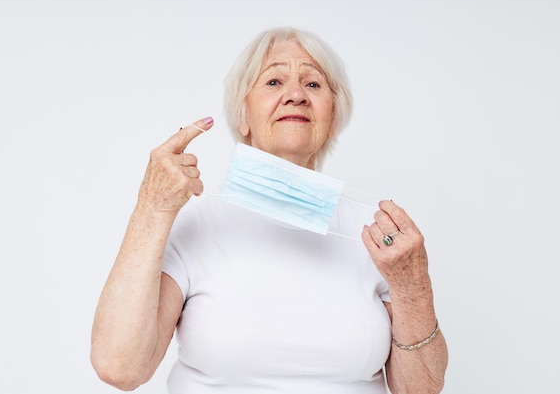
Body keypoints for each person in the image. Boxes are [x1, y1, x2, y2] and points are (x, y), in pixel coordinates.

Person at [91, 27, 448, 393]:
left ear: (333, 118)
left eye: (313, 85)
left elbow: (419, 390)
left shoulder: (380, 235)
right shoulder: (195, 225)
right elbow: (120, 368)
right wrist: (152, 208)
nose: (295, 95)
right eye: (274, 81)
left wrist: (413, 286)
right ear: (243, 114)